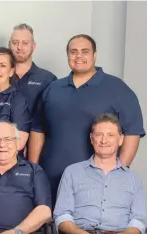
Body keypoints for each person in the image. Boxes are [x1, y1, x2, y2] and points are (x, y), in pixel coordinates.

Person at [28, 34, 145, 203]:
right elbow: (37, 131)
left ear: (94, 55)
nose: (79, 56)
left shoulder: (117, 88)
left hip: (97, 180)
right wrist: (34, 170)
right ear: (67, 55)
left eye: (85, 51)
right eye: (73, 52)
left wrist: (118, 174)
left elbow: (132, 132)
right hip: (50, 179)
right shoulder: (53, 88)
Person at [54, 114, 147, 234]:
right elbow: (62, 215)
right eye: (99, 135)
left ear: (120, 140)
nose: (104, 140)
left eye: (110, 135)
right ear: (92, 139)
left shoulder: (134, 179)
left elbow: (139, 221)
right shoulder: (72, 172)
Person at [7, 23, 57, 113]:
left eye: (25, 43)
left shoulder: (48, 79)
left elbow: (53, 115)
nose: (19, 47)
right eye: (15, 43)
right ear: (9, 45)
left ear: (33, 46)